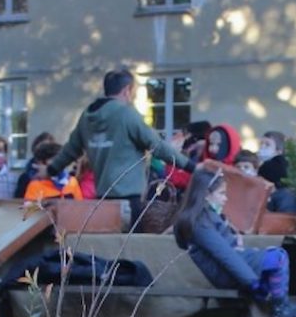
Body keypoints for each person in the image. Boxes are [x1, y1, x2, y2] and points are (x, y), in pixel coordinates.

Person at [48, 69, 193, 226]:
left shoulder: (87, 117)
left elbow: (71, 149)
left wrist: (50, 170)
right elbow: (157, 146)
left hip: (102, 201)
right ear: (127, 90)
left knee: (105, 247)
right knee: (130, 247)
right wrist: (191, 166)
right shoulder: (126, 115)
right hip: (129, 201)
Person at [173, 166, 296, 317]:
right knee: (277, 257)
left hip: (227, 270)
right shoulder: (201, 223)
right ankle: (279, 309)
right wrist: (252, 283)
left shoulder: (203, 218)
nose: (225, 199)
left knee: (274, 257)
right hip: (226, 273)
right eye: (222, 194)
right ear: (207, 194)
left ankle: (278, 305)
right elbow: (224, 254)